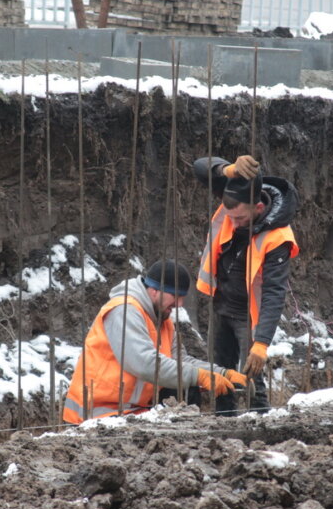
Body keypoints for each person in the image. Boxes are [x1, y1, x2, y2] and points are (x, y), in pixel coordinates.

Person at [63, 260, 247, 425]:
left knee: (188, 386)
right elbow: (144, 362)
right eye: (176, 296)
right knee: (190, 380)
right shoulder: (124, 310)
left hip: (132, 411)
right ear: (154, 291)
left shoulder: (162, 320)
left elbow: (180, 361)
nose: (180, 304)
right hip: (97, 415)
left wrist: (219, 372)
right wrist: (199, 376)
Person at [193, 154, 299, 413]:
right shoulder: (234, 196)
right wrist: (227, 169)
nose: (233, 223)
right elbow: (198, 167)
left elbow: (275, 292)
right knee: (220, 374)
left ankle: (260, 426)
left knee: (252, 379)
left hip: (246, 316)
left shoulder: (278, 237)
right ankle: (224, 423)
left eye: (240, 219)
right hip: (221, 304)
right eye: (231, 217)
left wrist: (261, 343)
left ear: (259, 208)